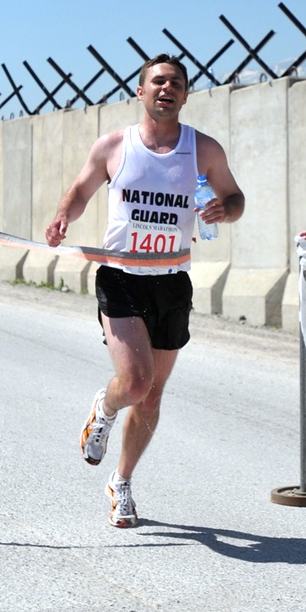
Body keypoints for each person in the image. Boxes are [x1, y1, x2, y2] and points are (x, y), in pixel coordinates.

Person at [45, 56, 245, 529]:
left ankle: (122, 481)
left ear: (185, 94)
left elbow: (235, 199)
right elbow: (79, 190)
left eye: (176, 82)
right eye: (158, 81)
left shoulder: (203, 149)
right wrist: (62, 218)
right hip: (120, 276)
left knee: (152, 397)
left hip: (171, 280)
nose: (166, 88)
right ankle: (105, 407)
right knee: (134, 383)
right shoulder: (115, 145)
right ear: (141, 91)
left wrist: (224, 209)